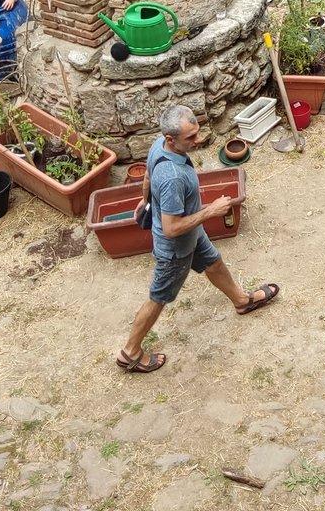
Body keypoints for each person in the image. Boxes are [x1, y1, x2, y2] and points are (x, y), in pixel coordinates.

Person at [117, 104, 280, 374]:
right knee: (159, 297)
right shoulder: (172, 177)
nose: (198, 139)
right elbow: (171, 228)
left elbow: (147, 176)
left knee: (213, 262)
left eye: (197, 132)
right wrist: (211, 211)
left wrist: (145, 201)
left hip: (192, 233)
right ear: (171, 138)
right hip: (176, 248)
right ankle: (130, 352)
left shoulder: (159, 145)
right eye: (190, 137)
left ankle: (241, 300)